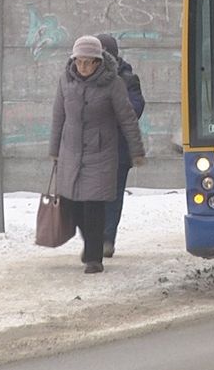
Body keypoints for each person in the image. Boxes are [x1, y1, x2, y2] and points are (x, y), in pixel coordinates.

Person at [49, 35, 145, 274]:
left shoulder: (113, 84)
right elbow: (58, 116)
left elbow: (128, 118)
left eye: (87, 62)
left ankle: (94, 257)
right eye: (78, 61)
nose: (82, 66)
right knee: (71, 205)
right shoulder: (66, 82)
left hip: (101, 152)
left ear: (98, 62)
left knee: (94, 206)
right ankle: (92, 242)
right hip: (71, 151)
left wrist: (137, 151)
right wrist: (54, 150)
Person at [95, 33, 146, 259]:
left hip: (118, 151)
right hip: (92, 150)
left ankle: (106, 239)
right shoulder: (83, 77)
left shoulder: (126, 78)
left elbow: (135, 108)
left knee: (113, 197)